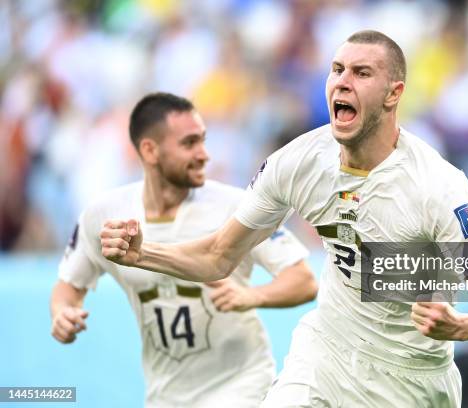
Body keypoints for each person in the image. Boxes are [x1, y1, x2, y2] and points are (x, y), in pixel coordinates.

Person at [100, 31, 468, 407]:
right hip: (326, 354)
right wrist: (143, 254)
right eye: (337, 69)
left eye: (361, 73)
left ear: (393, 94)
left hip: (409, 381)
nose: (342, 81)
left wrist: (462, 325)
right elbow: (218, 255)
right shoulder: (297, 162)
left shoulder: (438, 187)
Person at [51, 92, 317, 408]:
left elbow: (304, 281)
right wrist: (63, 314)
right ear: (150, 150)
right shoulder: (104, 216)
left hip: (241, 386)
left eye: (203, 141)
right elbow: (69, 286)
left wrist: (251, 296)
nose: (205, 154)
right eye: (190, 144)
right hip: (165, 395)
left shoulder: (238, 206)